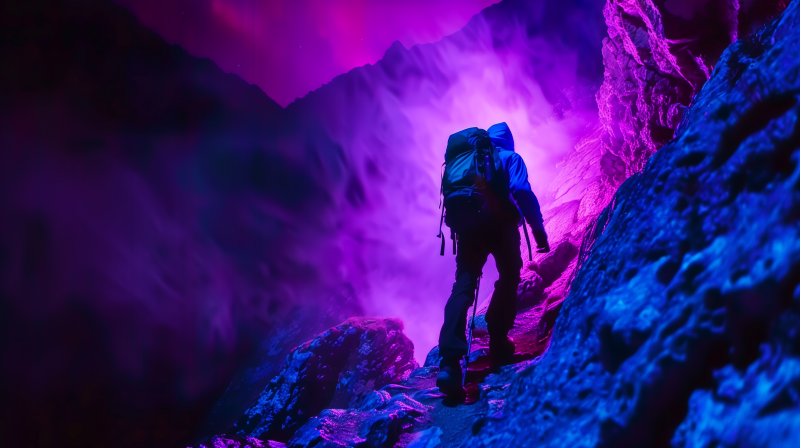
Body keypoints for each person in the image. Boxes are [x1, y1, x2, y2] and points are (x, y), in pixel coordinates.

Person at [436, 122, 549, 397]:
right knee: (509, 277)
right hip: (502, 228)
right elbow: (521, 191)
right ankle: (499, 341)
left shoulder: (467, 161)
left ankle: (449, 362)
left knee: (463, 285)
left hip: (468, 229)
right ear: (508, 140)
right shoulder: (510, 158)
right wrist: (538, 230)